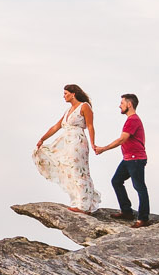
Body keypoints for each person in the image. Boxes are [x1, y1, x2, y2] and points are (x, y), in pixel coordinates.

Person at [32, 84, 100, 211]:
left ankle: (84, 205)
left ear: (73, 94)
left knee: (79, 170)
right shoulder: (67, 111)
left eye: (66, 93)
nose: (64, 96)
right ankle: (80, 202)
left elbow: (90, 126)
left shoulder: (84, 106)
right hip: (67, 142)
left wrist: (93, 143)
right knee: (70, 171)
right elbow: (55, 127)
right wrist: (42, 139)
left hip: (78, 141)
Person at [96, 93, 149, 226]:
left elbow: (122, 139)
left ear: (129, 104)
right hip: (128, 159)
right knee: (116, 181)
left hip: (135, 159)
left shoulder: (133, 120)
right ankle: (127, 211)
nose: (119, 105)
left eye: (122, 103)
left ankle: (143, 219)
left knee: (139, 187)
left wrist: (103, 148)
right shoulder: (131, 120)